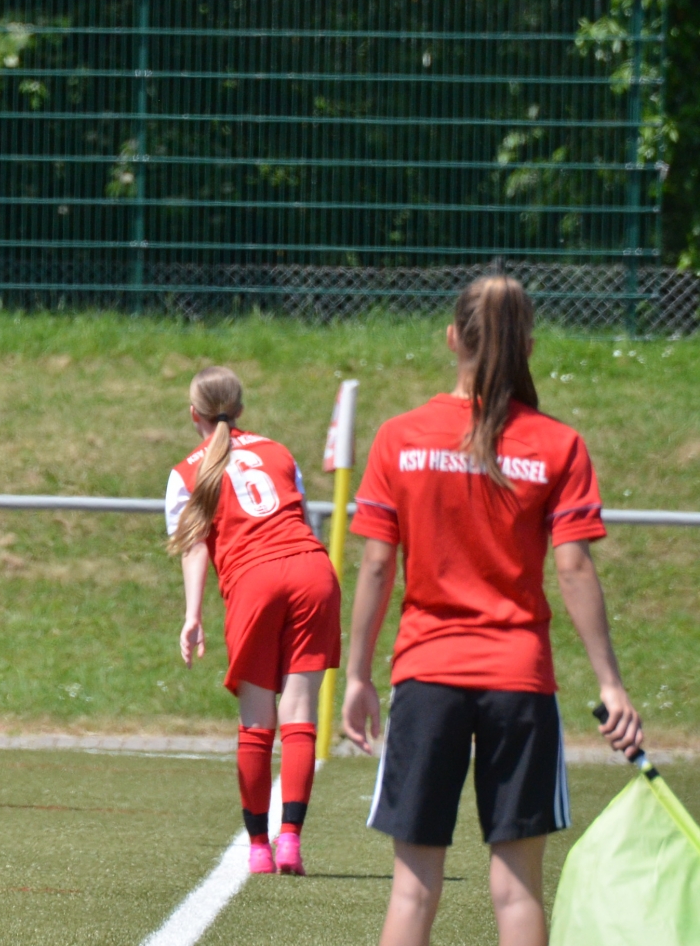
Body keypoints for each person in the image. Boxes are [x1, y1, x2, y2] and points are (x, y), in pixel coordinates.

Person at [341, 274, 644, 946]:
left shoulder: (399, 436)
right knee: (516, 891)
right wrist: (611, 683)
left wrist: (357, 675)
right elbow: (573, 566)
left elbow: (377, 565)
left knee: (413, 889)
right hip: (519, 681)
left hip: (426, 675)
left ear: (453, 338)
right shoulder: (557, 444)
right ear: (528, 345)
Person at [166, 365, 340, 876]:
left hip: (255, 580)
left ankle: (260, 848)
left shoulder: (185, 472)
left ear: (193, 413)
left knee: (257, 722)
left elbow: (194, 546)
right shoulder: (278, 451)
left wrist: (192, 614)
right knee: (300, 714)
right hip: (313, 570)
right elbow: (297, 516)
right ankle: (291, 842)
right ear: (240, 409)